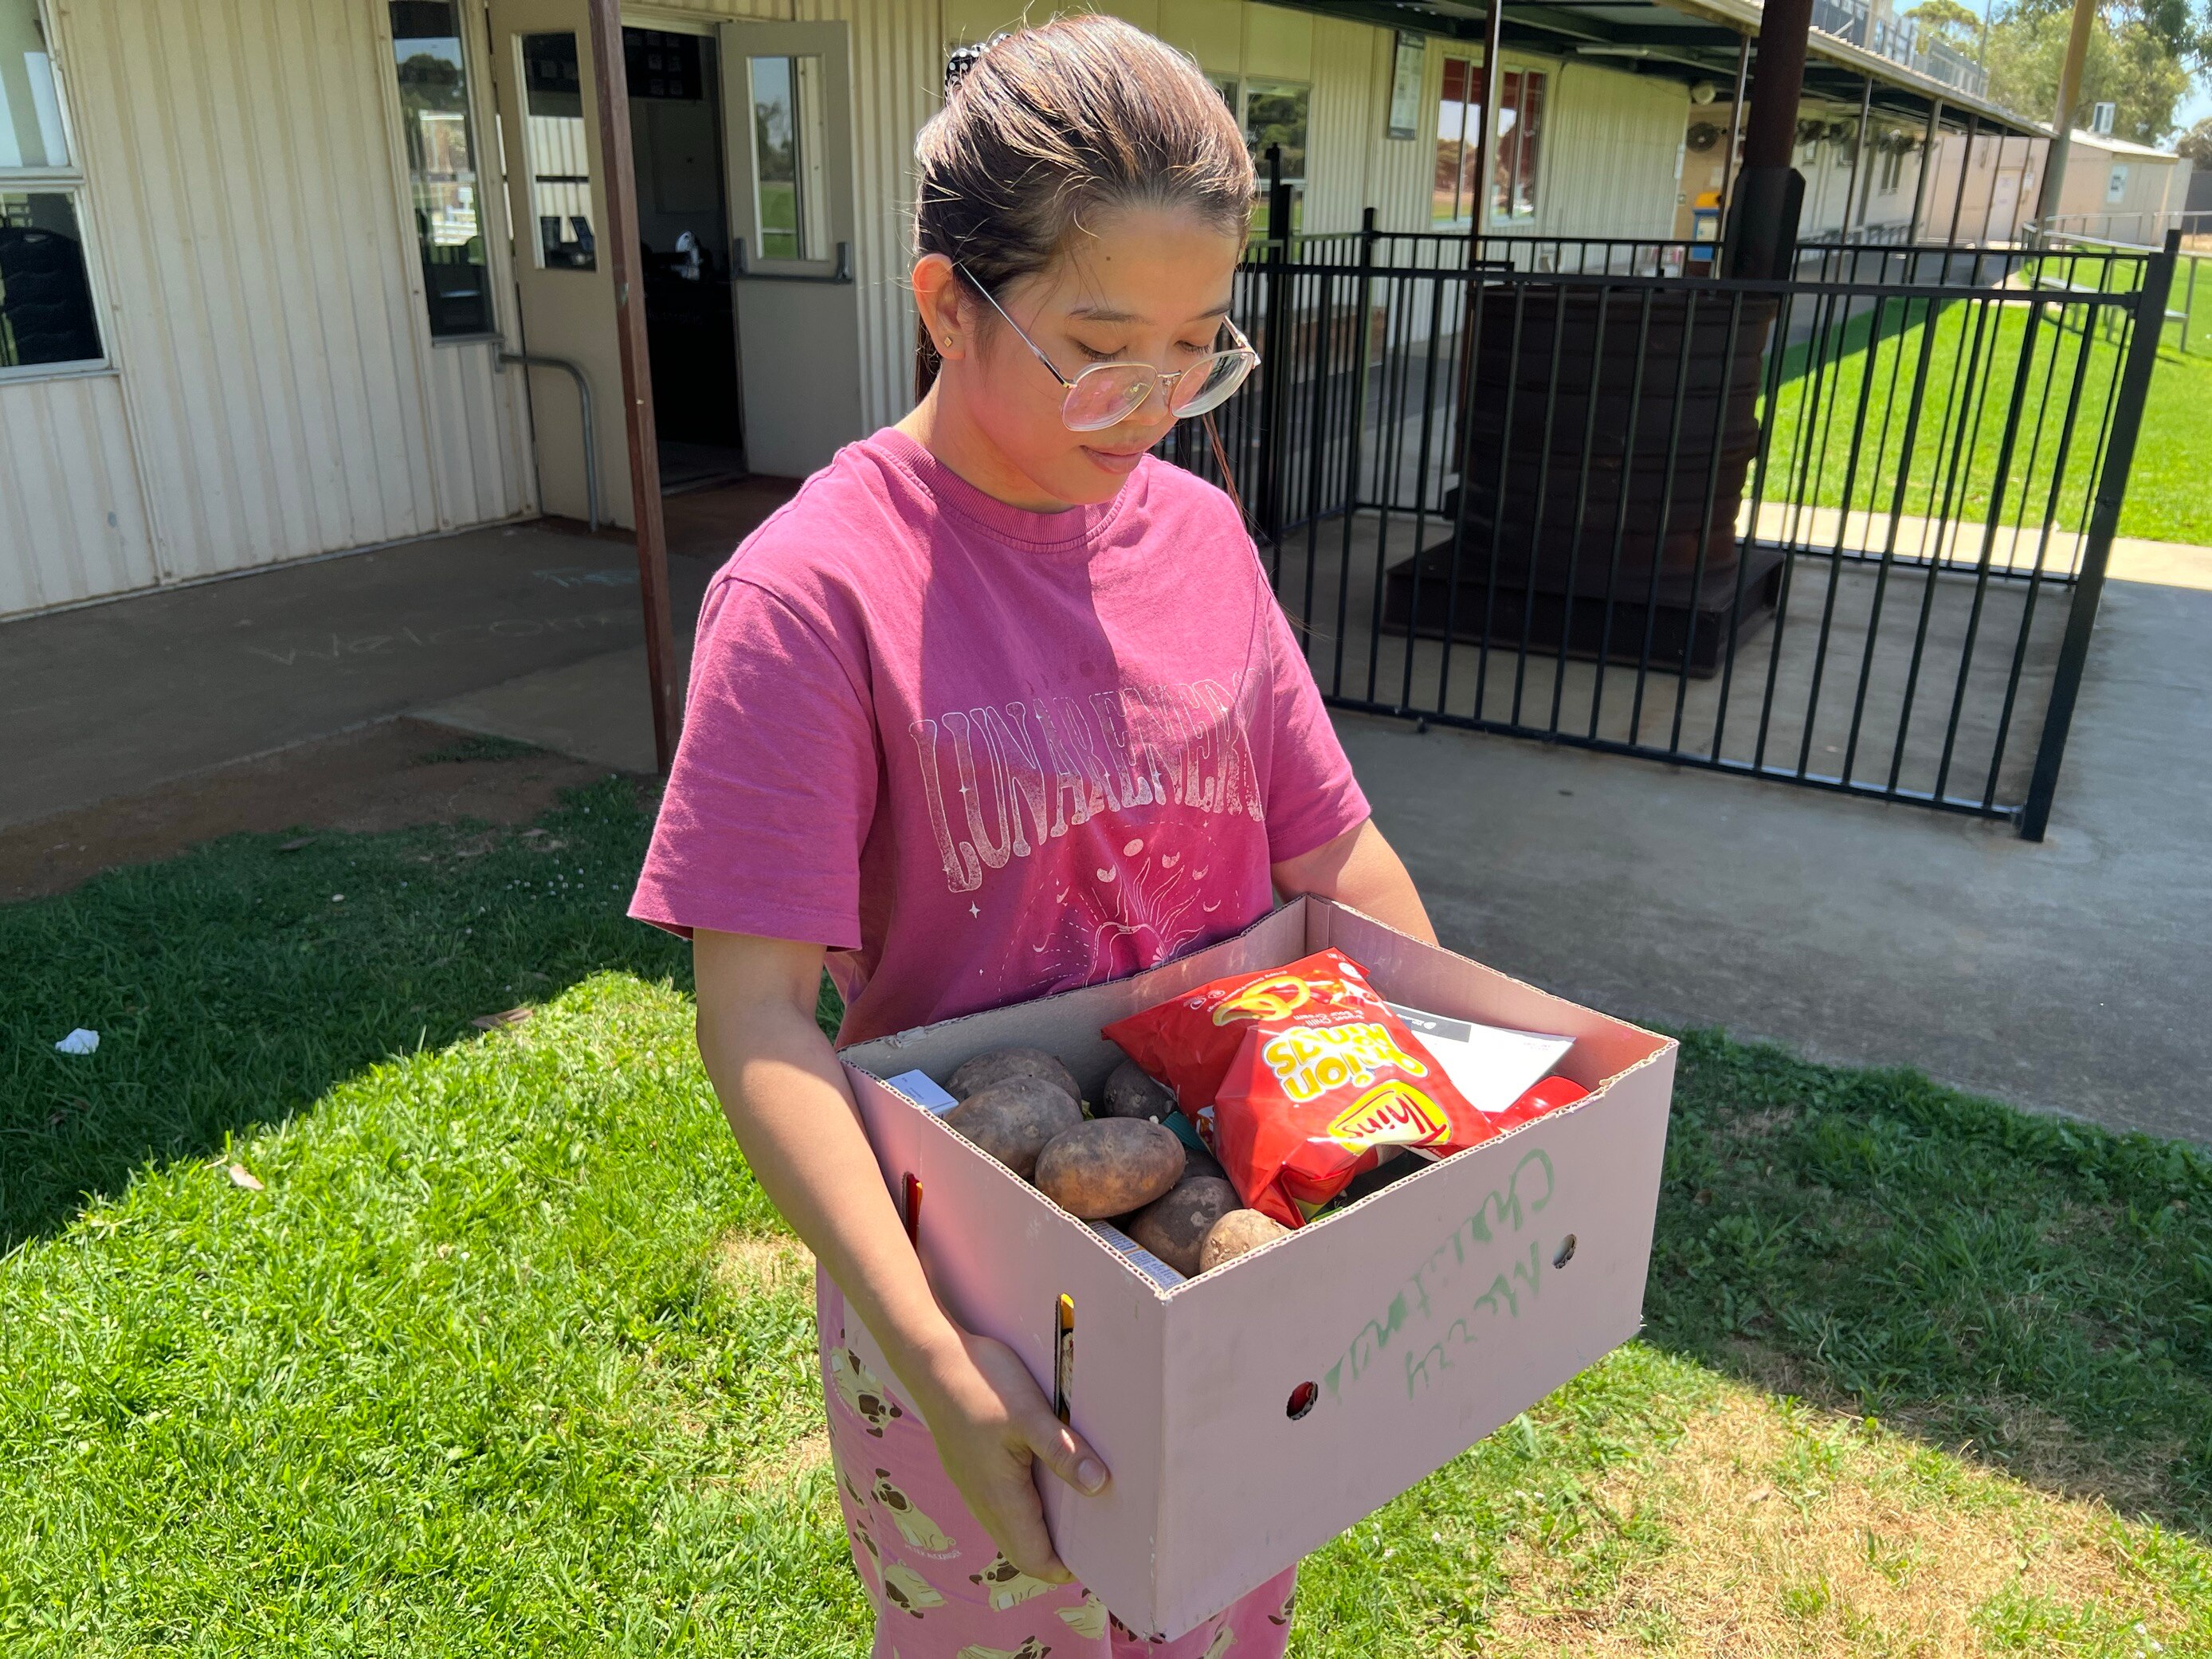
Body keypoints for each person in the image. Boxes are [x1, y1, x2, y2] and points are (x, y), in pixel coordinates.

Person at [630, 17, 1437, 1656]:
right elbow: (758, 1018)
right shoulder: (809, 598)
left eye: (1198, 346)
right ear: (945, 303)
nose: (1147, 403)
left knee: (1220, 1618)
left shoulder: (1201, 535)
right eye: (1095, 345)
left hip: (1223, 1249)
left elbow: (1330, 859)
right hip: (966, 1305)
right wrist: (934, 1352)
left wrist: (1439, 1111)